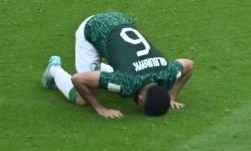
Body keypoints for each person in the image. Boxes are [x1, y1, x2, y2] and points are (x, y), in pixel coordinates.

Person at [40, 11, 195, 118]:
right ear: (139, 98)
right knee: (82, 99)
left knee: (114, 74)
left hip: (120, 19)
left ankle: (101, 70)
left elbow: (189, 64)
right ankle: (54, 69)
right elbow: (78, 79)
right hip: (93, 29)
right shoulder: (126, 82)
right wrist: (100, 108)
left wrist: (171, 96)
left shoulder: (167, 74)